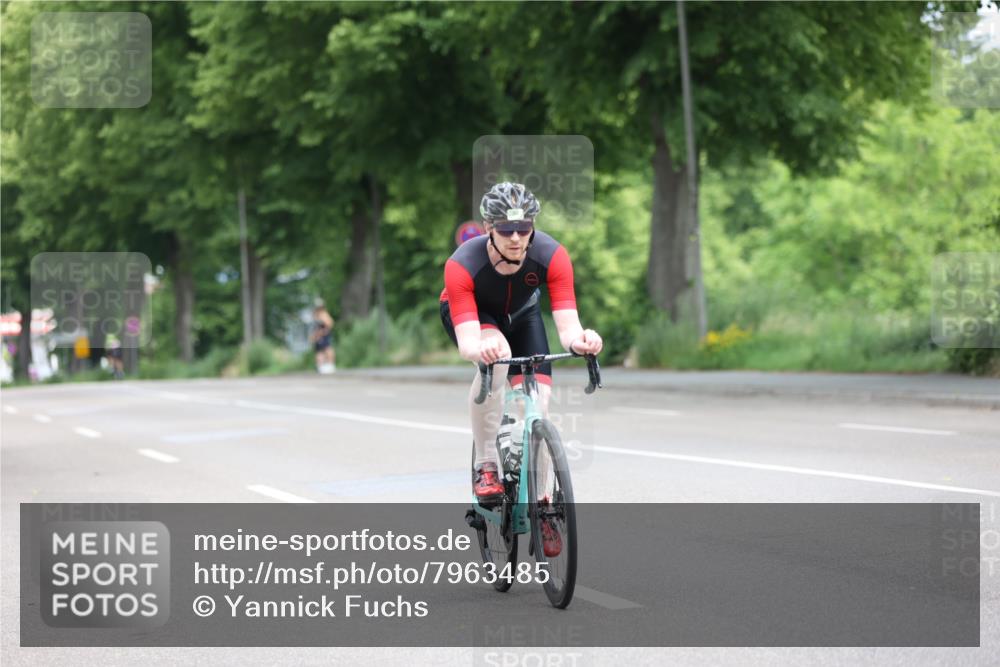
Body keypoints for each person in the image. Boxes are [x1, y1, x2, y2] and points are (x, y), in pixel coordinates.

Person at [439, 182, 603, 555]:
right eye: (506, 229)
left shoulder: (552, 255)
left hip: (523, 317)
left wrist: (583, 341)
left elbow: (568, 327)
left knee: (538, 406)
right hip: (474, 318)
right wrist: (483, 346)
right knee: (496, 366)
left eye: (524, 229)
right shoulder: (463, 264)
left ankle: (543, 502)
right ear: (487, 228)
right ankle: (486, 463)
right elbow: (468, 345)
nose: (516, 238)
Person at [311, 301, 336, 374]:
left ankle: (330, 365)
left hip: (323, 336)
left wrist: (323, 332)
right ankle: (320, 366)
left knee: (327, 348)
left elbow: (330, 324)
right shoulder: (316, 315)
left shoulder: (323, 314)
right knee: (319, 351)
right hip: (318, 336)